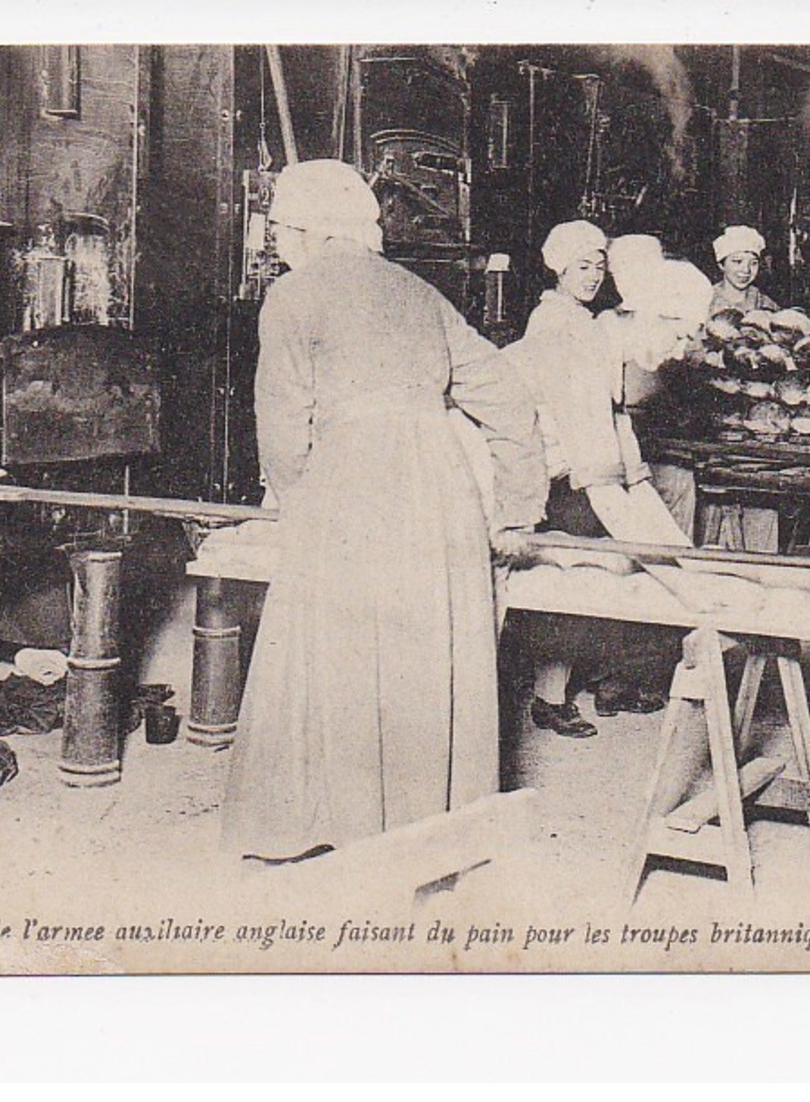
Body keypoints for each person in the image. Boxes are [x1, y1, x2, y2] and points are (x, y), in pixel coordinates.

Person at [216, 160, 547, 863]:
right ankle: (424, 832)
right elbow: (511, 403)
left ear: (307, 228)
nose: (275, 243)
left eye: (278, 229)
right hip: (440, 488)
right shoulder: (419, 293)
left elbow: (278, 422)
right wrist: (516, 510)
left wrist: (298, 499)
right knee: (422, 656)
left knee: (334, 654)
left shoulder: (293, 297)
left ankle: (322, 823)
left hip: (352, 482)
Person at [508, 221, 692, 737]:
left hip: (596, 467)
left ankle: (588, 684)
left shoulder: (587, 323)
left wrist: (631, 475)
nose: (591, 277)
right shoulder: (551, 324)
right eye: (582, 267)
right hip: (569, 473)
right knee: (573, 586)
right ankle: (548, 697)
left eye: (598, 267)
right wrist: (608, 479)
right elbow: (574, 413)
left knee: (599, 579)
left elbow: (614, 410)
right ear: (559, 267)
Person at [600, 233, 697, 539]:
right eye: (678, 336)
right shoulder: (606, 331)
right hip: (614, 461)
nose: (680, 351)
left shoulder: (661, 326)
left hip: (652, 458)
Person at [709, 225, 779, 315]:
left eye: (753, 263)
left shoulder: (764, 303)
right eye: (738, 261)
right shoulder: (706, 299)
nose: (746, 270)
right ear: (721, 265)